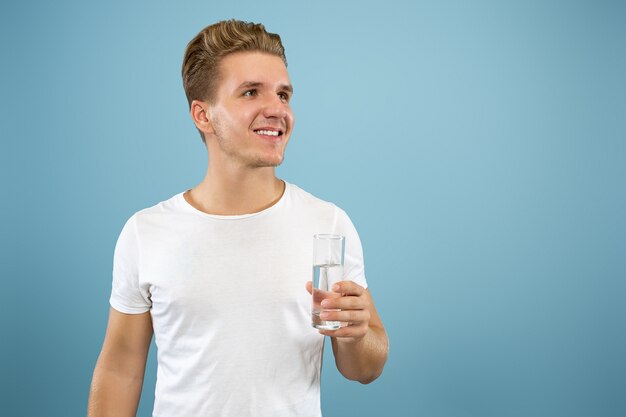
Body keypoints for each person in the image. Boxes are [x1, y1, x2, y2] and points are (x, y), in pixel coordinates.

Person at [87, 19, 388, 417]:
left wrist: (356, 334)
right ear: (202, 115)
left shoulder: (327, 224)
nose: (277, 110)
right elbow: (120, 370)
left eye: (284, 94)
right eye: (250, 92)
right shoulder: (146, 233)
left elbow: (365, 368)